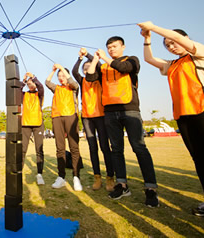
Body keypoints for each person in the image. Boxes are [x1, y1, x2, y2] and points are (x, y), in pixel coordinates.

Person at [138, 21, 204, 216]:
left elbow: (176, 37)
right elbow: (149, 59)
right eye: (167, 45)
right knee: (198, 159)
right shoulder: (172, 65)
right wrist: (147, 39)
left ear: (186, 40)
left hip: (201, 111)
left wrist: (153, 27)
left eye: (172, 42)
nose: (171, 46)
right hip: (183, 117)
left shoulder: (198, 54)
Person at [86, 36, 158, 207]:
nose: (111, 49)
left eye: (114, 46)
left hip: (130, 109)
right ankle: (122, 184)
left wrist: (105, 57)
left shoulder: (131, 60)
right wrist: (96, 58)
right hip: (110, 112)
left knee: (139, 147)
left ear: (123, 47)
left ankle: (150, 188)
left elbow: (124, 68)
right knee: (116, 150)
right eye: (109, 47)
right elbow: (89, 78)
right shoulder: (103, 66)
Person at [72, 48, 114, 191]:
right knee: (92, 148)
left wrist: (91, 56)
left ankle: (110, 177)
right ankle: (97, 177)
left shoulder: (100, 78)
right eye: (85, 67)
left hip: (101, 116)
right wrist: (80, 59)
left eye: (89, 67)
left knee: (105, 147)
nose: (87, 69)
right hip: (87, 118)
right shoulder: (82, 80)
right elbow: (74, 72)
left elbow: (99, 64)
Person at [46, 64, 82, 191]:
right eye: (59, 76)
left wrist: (62, 68)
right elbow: (47, 82)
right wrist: (53, 71)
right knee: (60, 148)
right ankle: (61, 177)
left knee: (74, 147)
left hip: (70, 116)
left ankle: (76, 177)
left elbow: (73, 82)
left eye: (63, 75)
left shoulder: (73, 88)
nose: (61, 78)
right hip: (57, 118)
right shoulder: (56, 88)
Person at [21, 72, 45, 185]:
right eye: (28, 84)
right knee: (22, 149)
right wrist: (23, 81)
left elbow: (41, 87)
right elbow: (16, 91)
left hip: (38, 123)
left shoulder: (39, 94)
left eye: (32, 83)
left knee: (39, 150)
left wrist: (34, 78)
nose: (31, 85)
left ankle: (39, 173)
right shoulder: (24, 94)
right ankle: (19, 171)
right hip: (25, 124)